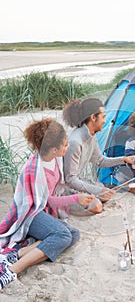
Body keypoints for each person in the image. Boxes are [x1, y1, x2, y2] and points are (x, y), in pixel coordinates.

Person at [0, 118, 94, 290]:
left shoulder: (55, 159)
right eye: (65, 145)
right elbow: (46, 200)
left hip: (42, 210)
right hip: (30, 213)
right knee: (62, 236)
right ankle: (11, 272)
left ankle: (15, 255)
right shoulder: (35, 168)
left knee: (73, 234)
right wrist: (76, 199)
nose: (67, 147)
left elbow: (52, 194)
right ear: (53, 149)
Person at [62, 98, 135, 215]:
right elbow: (70, 179)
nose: (104, 120)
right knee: (96, 206)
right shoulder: (75, 142)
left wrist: (124, 159)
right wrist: (96, 190)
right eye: (103, 117)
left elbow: (99, 161)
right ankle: (63, 207)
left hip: (78, 182)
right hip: (66, 189)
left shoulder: (91, 137)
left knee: (105, 194)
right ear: (93, 117)